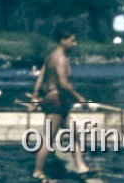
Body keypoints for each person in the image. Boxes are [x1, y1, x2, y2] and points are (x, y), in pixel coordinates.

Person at [30, 25, 91, 179]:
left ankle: (80, 165)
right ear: (63, 40)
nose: (74, 44)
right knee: (49, 138)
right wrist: (80, 98)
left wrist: (35, 96)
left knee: (74, 132)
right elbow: (64, 83)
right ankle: (38, 171)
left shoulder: (51, 56)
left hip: (58, 101)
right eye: (72, 40)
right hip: (56, 101)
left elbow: (41, 77)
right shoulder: (60, 58)